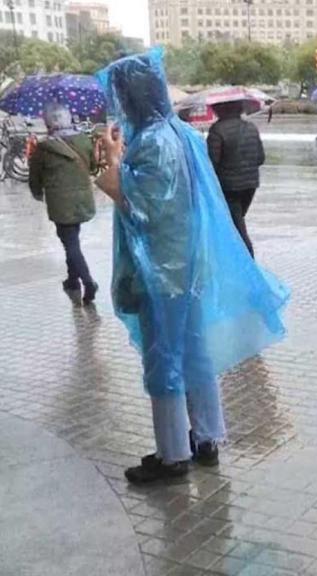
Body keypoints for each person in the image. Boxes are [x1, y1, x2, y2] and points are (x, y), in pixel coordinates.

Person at [94, 48, 288, 485]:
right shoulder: (181, 134)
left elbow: (146, 206)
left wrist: (113, 164)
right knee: (195, 351)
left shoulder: (151, 142)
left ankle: (172, 455)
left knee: (164, 357)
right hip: (190, 265)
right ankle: (206, 439)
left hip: (162, 269)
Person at [29, 102, 99, 304]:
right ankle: (72, 280)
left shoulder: (43, 149)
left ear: (48, 123)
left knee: (70, 243)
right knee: (71, 239)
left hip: (60, 203)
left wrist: (37, 192)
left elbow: (35, 177)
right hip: (82, 200)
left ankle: (88, 281)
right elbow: (92, 167)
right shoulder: (83, 140)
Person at [207, 100, 266, 257]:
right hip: (250, 185)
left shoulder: (217, 130)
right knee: (237, 221)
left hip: (229, 187)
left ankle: (247, 260)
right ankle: (235, 257)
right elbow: (261, 158)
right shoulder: (251, 128)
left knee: (237, 227)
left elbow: (211, 164)